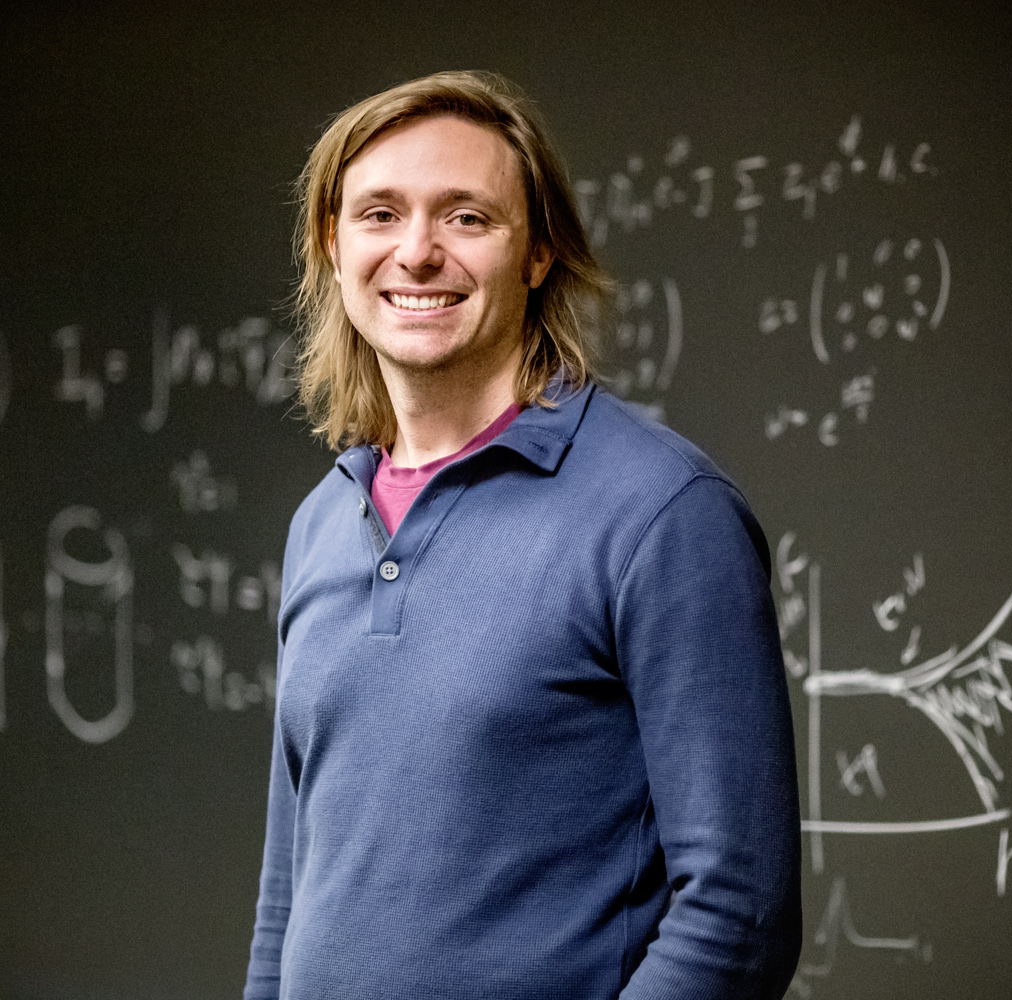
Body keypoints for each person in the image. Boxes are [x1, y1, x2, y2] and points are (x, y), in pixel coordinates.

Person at [245, 70, 802, 1000]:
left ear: (539, 252)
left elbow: (739, 912)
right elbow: (289, 896)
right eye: (379, 214)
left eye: (466, 218)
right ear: (332, 248)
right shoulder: (322, 524)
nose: (416, 253)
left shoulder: (660, 513)